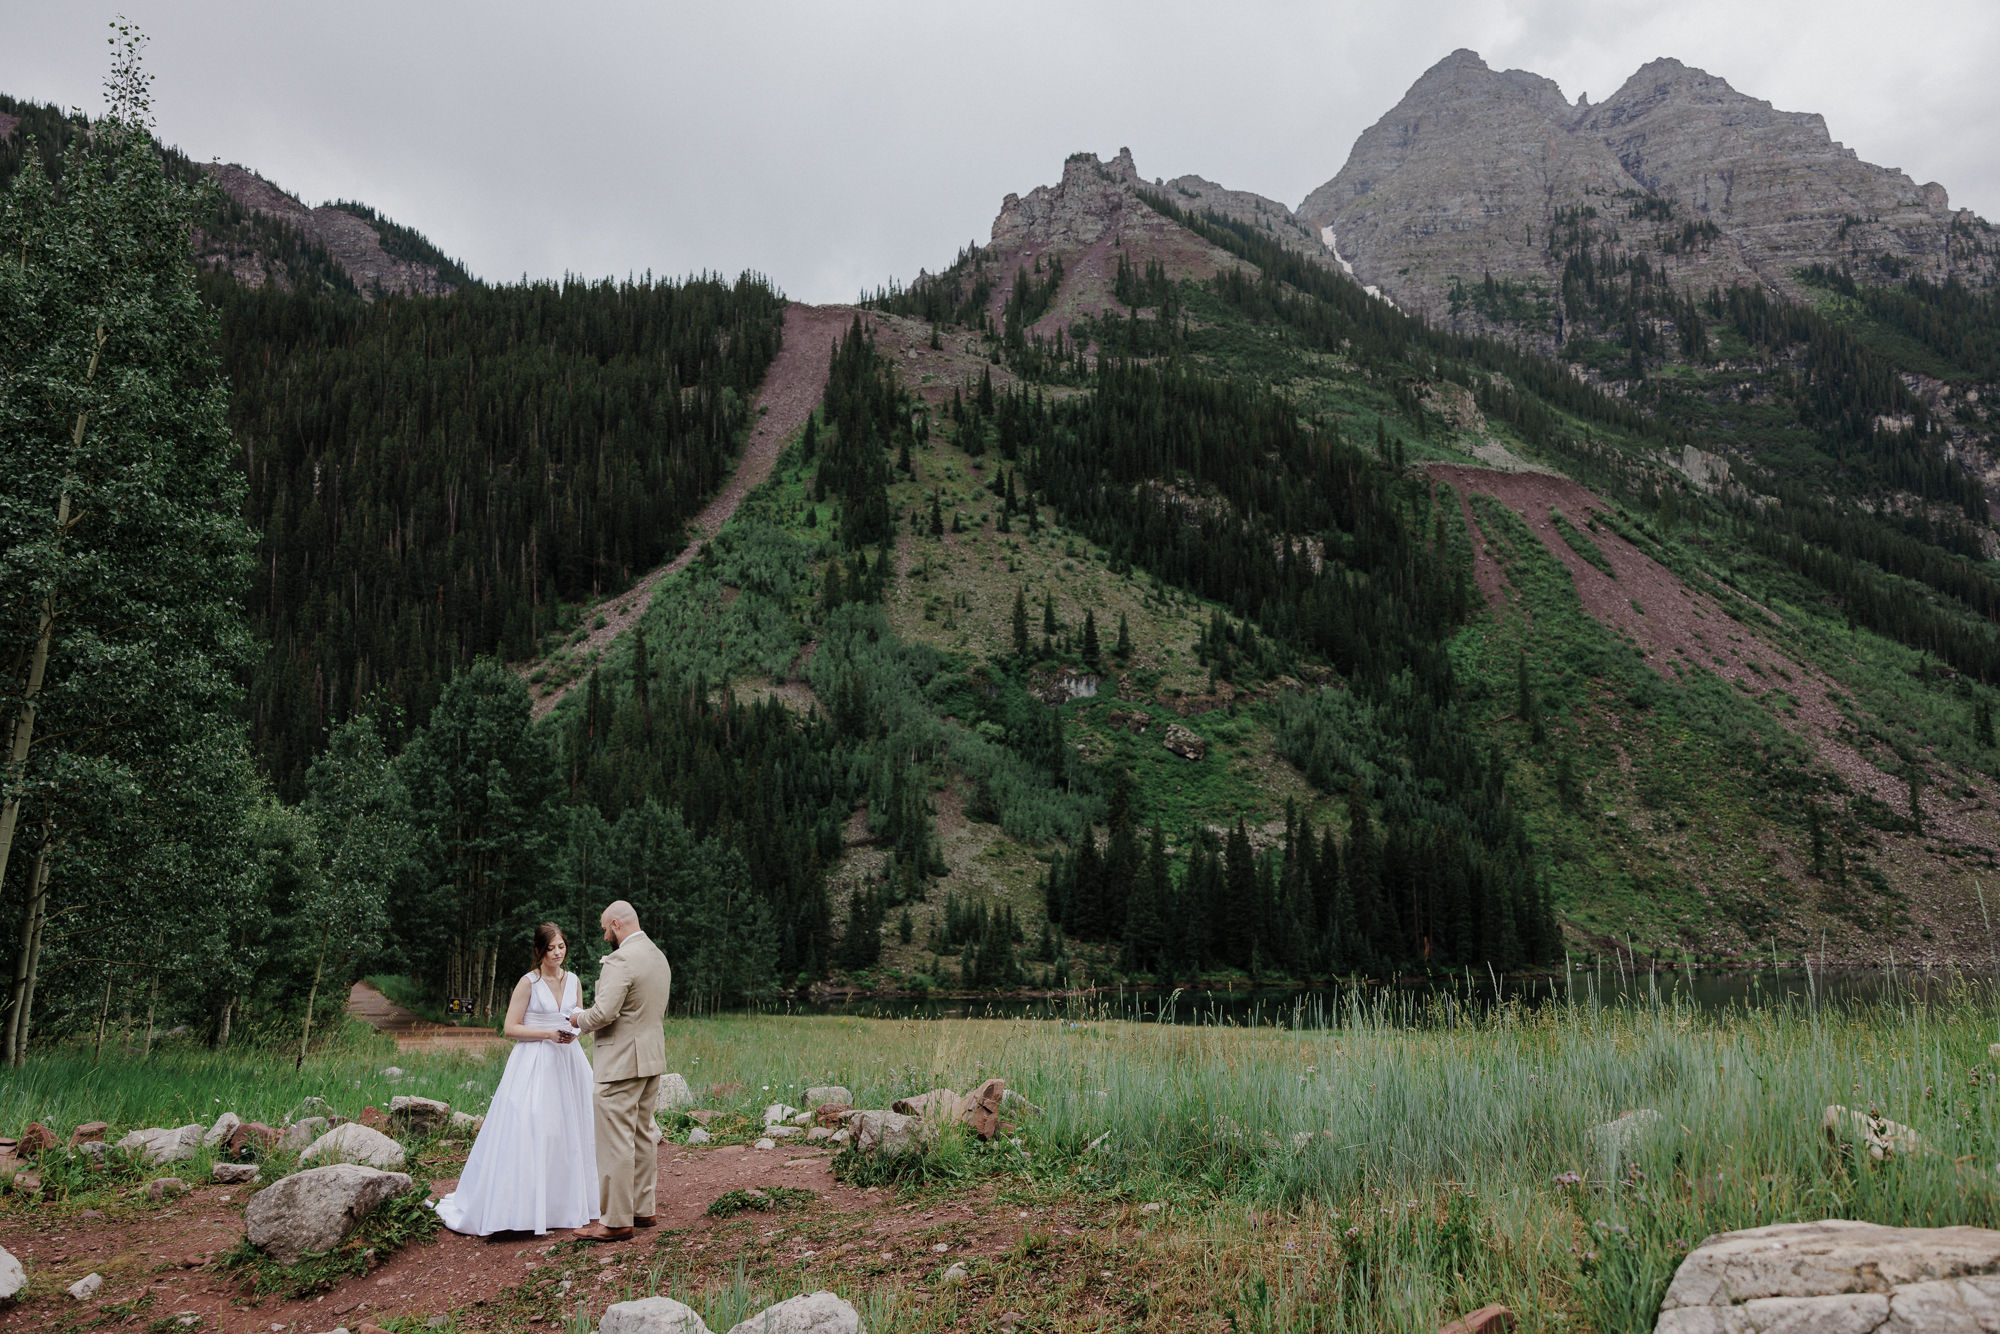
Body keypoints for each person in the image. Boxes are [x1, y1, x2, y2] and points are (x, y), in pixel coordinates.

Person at [432, 923, 598, 1236]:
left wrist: (576, 1033)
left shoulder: (574, 980)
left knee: (573, 1128)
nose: (557, 953)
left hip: (568, 1061)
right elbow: (510, 1027)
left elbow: (579, 1016)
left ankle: (566, 1202)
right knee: (534, 1126)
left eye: (561, 947)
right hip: (535, 1060)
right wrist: (547, 1034)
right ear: (540, 951)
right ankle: (524, 1206)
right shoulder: (528, 983)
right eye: (551, 949)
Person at [567, 899, 672, 1242]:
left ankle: (615, 1221)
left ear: (615, 924)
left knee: (615, 1141)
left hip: (620, 1063)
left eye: (603, 929)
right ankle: (643, 1210)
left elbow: (603, 1014)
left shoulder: (621, 960)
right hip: (651, 1059)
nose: (603, 937)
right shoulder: (658, 956)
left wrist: (576, 1019)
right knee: (643, 1134)